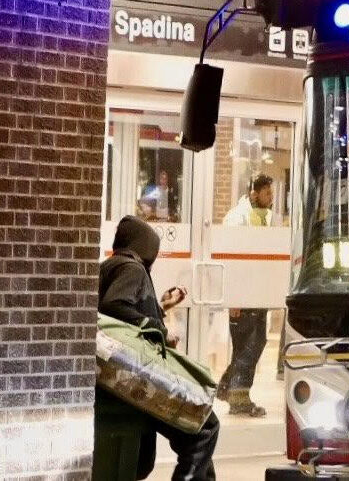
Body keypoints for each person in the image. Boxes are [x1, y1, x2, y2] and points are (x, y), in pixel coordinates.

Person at [98, 215, 219, 480]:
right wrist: (158, 328)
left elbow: (125, 314)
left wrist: (162, 306)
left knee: (197, 428)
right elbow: (113, 306)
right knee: (204, 426)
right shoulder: (132, 268)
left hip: (124, 381)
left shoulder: (110, 265)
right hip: (139, 380)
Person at [218, 174, 275, 417]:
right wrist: (233, 298)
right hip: (243, 296)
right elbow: (231, 260)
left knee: (252, 343)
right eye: (268, 194)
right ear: (254, 194)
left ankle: (226, 388)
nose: (271, 198)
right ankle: (238, 398)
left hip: (257, 293)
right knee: (249, 345)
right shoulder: (237, 218)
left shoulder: (264, 218)